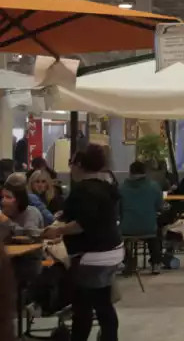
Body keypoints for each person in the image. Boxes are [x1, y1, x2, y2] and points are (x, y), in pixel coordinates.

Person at [42, 145, 123, 341]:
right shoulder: (107, 186)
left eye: (71, 164)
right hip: (113, 249)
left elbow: (82, 224)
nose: (70, 169)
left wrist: (58, 230)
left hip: (92, 255)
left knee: (83, 306)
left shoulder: (84, 190)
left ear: (79, 164)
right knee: (103, 303)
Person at [119, 161, 164, 275]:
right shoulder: (154, 186)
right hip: (148, 226)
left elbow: (117, 209)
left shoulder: (121, 188)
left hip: (127, 227)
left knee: (119, 237)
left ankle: (128, 261)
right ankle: (155, 263)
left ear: (130, 172)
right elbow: (160, 206)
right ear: (145, 172)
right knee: (156, 234)